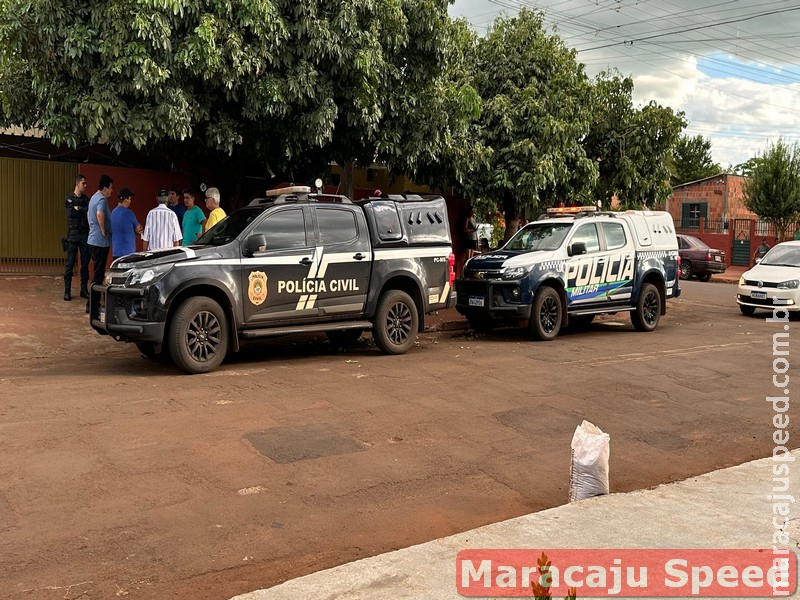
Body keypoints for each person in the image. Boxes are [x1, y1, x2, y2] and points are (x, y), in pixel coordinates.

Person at [87, 174, 114, 309]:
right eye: (110, 188)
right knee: (98, 275)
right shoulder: (102, 199)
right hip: (99, 241)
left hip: (93, 239)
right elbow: (99, 214)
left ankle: (92, 303)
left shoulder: (93, 198)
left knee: (97, 272)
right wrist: (103, 230)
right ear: (105, 188)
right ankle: (93, 305)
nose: (111, 191)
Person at [63, 174, 91, 301]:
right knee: (70, 264)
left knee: (85, 263)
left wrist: (78, 208)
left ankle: (83, 289)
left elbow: (88, 212)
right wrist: (80, 210)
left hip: (84, 234)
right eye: (83, 183)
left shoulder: (86, 199)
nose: (85, 186)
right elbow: (71, 213)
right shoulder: (69, 198)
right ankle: (67, 290)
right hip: (73, 235)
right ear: (77, 184)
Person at [111, 187, 142, 259]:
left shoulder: (112, 213)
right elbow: (138, 229)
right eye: (130, 199)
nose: (130, 201)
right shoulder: (129, 213)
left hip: (116, 252)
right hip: (128, 252)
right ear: (125, 200)